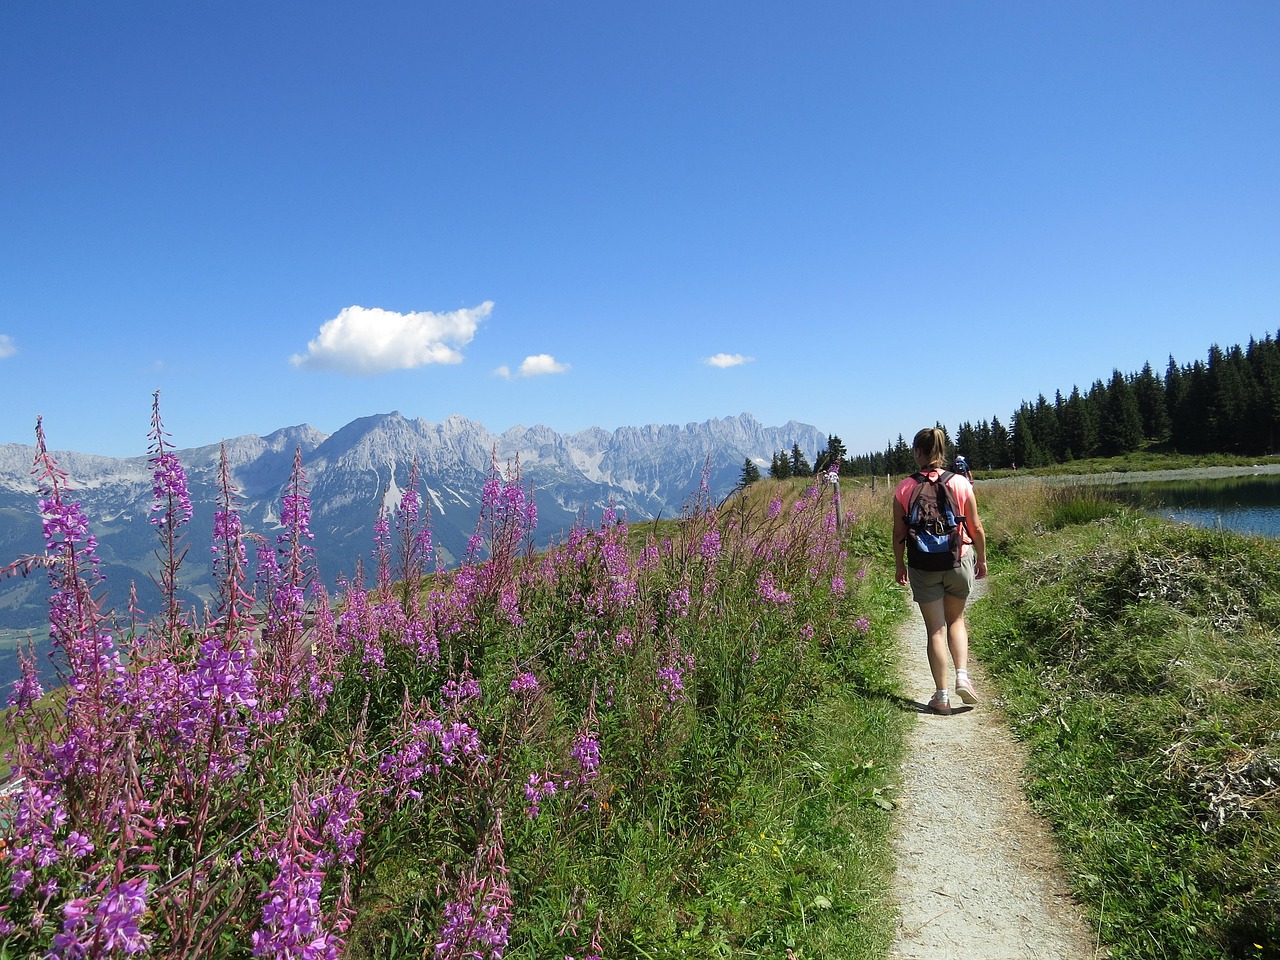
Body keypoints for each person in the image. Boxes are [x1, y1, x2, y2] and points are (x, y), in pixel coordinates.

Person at [892, 427, 988, 716]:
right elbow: (976, 527)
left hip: (923, 563)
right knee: (956, 620)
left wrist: (899, 564)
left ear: (918, 452)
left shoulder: (904, 488)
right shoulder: (960, 483)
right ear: (942, 451)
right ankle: (962, 676)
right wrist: (981, 559)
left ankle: (942, 697)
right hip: (958, 559)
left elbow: (898, 532)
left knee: (935, 629)